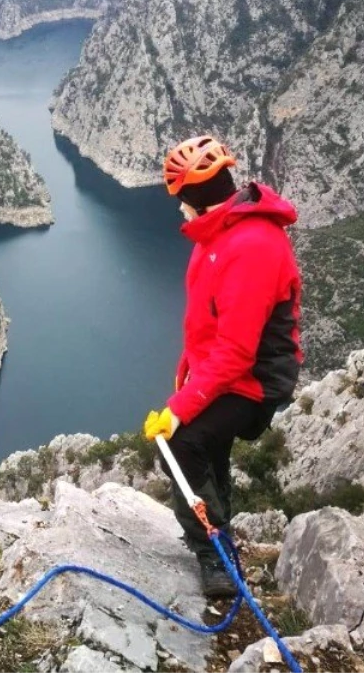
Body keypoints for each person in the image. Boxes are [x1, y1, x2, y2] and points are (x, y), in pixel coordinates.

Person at [142, 135, 302, 598]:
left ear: (195, 197)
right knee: (207, 450)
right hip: (228, 372)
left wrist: (180, 406)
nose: (178, 209)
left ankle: (213, 552)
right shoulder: (219, 233)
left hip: (255, 381)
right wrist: (186, 377)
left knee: (179, 443)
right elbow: (204, 325)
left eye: (180, 199)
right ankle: (222, 532)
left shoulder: (252, 245)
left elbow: (236, 351)